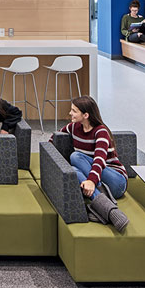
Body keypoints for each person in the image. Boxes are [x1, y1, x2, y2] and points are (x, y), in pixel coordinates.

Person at [54, 96, 129, 232]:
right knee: (73, 171)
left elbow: (99, 160)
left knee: (75, 156)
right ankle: (110, 210)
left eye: (74, 111)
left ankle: (97, 194)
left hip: (116, 181)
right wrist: (49, 153)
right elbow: (55, 136)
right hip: (100, 184)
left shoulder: (101, 132)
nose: (70, 113)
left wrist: (91, 181)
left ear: (86, 115)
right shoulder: (74, 127)